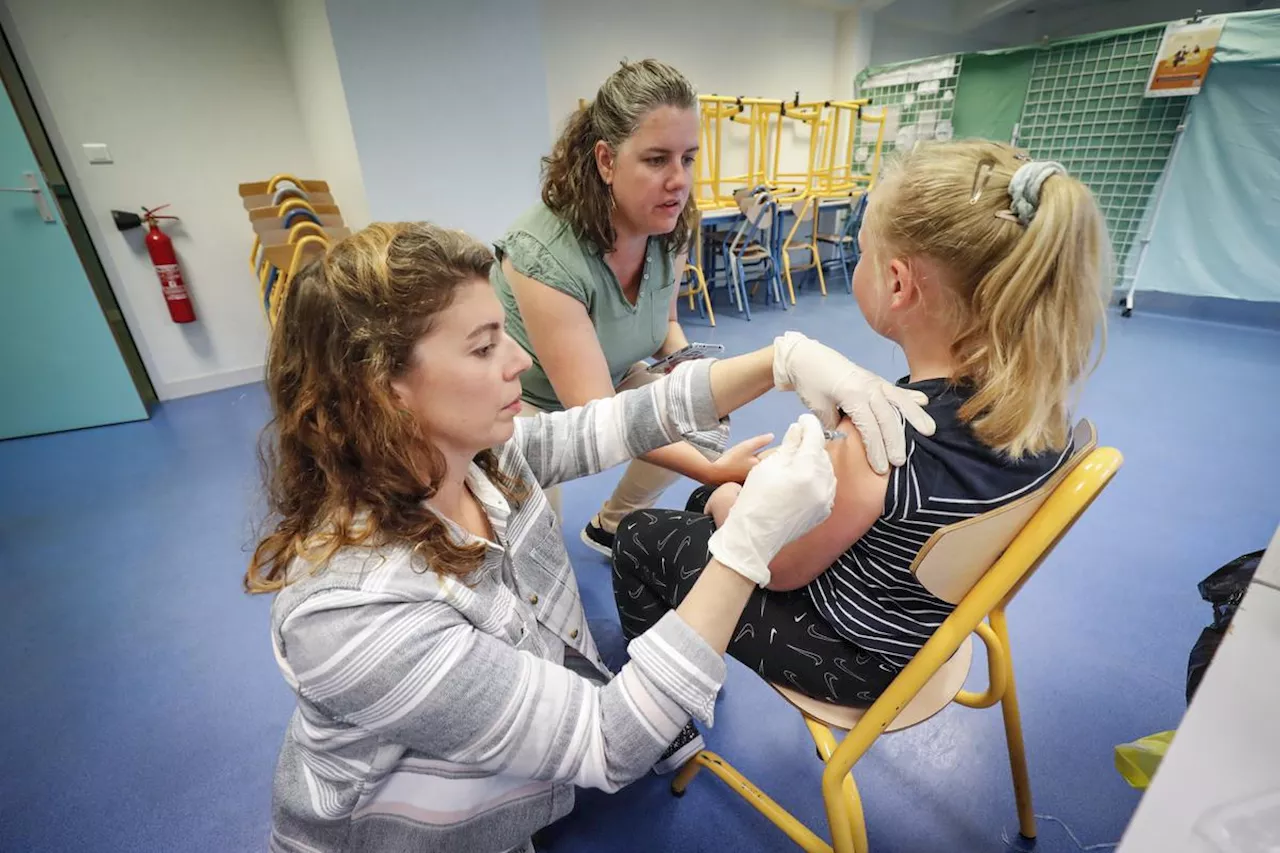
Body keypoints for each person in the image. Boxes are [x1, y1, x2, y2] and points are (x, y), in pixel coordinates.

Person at [246, 221, 931, 853]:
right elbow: (609, 741)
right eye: (484, 346)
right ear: (382, 387)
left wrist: (780, 360)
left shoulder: (480, 454)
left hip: (497, 806)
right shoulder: (352, 617)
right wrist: (747, 545)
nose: (518, 358)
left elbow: (619, 421)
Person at [612, 141, 1111, 722]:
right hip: (929, 631)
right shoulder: (1041, 412)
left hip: (851, 656)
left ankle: (662, 714)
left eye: (863, 251)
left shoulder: (880, 439)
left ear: (897, 284)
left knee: (644, 534)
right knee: (707, 499)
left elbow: (779, 569)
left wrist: (732, 500)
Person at [492, 59, 789, 558]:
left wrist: (692, 367)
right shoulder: (543, 255)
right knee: (536, 547)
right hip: (529, 405)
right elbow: (598, 417)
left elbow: (666, 321)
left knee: (703, 415)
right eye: (656, 160)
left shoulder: (669, 225)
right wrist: (713, 471)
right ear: (607, 161)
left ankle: (613, 524)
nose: (679, 180)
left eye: (688, 159)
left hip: (611, 374)